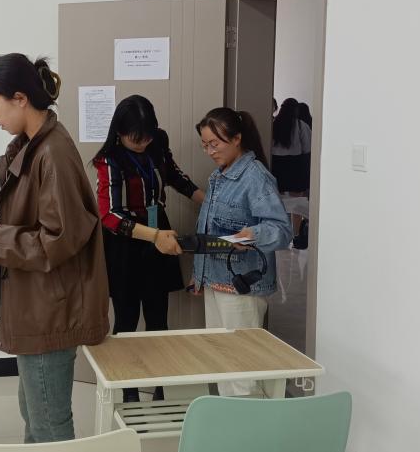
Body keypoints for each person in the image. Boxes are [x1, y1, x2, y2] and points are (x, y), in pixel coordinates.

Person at [0, 53, 109, 444]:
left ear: (20, 98)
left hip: (50, 310)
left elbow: (57, 239)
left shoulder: (52, 152)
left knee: (48, 423)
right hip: (40, 304)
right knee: (35, 413)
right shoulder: (35, 148)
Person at [92, 95, 203, 402]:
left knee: (158, 321)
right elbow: (109, 215)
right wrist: (153, 236)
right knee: (126, 323)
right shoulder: (109, 160)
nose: (142, 143)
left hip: (158, 237)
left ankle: (159, 389)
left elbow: (177, 178)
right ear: (119, 132)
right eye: (135, 139)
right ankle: (129, 393)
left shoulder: (157, 144)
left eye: (147, 137)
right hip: (126, 242)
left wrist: (210, 201)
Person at [193, 107, 292, 396]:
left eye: (215, 144)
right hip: (215, 281)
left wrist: (253, 234)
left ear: (237, 139)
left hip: (243, 287)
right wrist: (199, 276)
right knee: (221, 362)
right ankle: (230, 420)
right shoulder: (218, 177)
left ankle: (248, 422)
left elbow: (281, 229)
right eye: (205, 145)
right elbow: (207, 229)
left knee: (243, 368)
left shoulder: (255, 177)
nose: (210, 151)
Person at [271, 98, 312, 194]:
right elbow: (307, 148)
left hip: (276, 162)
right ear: (296, 110)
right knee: (295, 194)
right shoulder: (301, 125)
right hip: (294, 163)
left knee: (278, 192)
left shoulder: (274, 124)